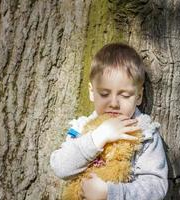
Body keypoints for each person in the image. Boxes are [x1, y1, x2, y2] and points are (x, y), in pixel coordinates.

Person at [50, 43, 168, 200]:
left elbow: (156, 187)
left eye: (125, 95)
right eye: (104, 94)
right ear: (92, 92)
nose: (114, 103)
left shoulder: (145, 133)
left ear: (139, 96)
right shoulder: (82, 127)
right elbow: (61, 168)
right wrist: (97, 137)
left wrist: (110, 193)